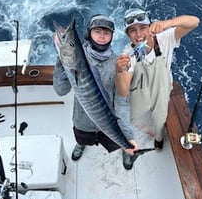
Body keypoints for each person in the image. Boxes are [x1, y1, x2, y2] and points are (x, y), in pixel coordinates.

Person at [115, 8, 200, 168]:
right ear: (127, 35)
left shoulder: (165, 38)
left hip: (162, 90)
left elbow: (194, 22)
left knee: (160, 120)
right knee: (128, 120)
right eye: (132, 31)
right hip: (139, 91)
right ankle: (127, 147)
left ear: (150, 26)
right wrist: (119, 71)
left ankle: (159, 139)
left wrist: (167, 23)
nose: (138, 34)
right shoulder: (128, 55)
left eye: (143, 28)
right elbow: (123, 91)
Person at [53, 14, 138, 170]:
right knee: (82, 139)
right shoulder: (76, 58)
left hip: (110, 123)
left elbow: (122, 101)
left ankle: (126, 148)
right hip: (82, 122)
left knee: (118, 142)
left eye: (106, 33)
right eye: (97, 31)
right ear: (88, 34)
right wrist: (61, 59)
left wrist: (128, 136)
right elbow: (61, 91)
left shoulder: (118, 63)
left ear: (112, 36)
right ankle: (81, 144)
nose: (102, 36)